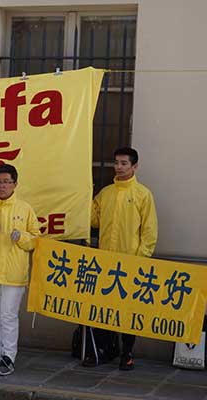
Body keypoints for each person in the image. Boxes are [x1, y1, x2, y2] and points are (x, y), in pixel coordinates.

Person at [89, 147, 158, 371]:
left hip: (130, 263)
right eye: (116, 162)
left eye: (124, 163)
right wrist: (82, 196)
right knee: (103, 308)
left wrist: (140, 259)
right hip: (105, 262)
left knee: (128, 311)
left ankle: (127, 352)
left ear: (134, 166)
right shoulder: (106, 193)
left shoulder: (143, 194)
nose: (119, 167)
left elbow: (149, 231)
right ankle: (106, 349)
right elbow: (94, 221)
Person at [0, 164, 41, 376]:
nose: (2, 185)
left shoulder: (25, 209)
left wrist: (22, 237)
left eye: (6, 182)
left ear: (15, 184)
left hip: (15, 273)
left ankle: (8, 357)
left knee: (8, 315)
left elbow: (36, 240)